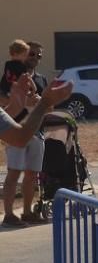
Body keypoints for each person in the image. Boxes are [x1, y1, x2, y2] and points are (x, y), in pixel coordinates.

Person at [2, 74, 75, 226]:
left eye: (39, 55)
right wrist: (42, 102)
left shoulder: (40, 81)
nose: (36, 57)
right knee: (14, 174)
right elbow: (19, 136)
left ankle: (27, 212)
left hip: (35, 134)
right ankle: (9, 215)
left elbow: (47, 109)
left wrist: (33, 103)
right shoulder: (9, 78)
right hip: (18, 136)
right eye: (33, 54)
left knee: (32, 175)